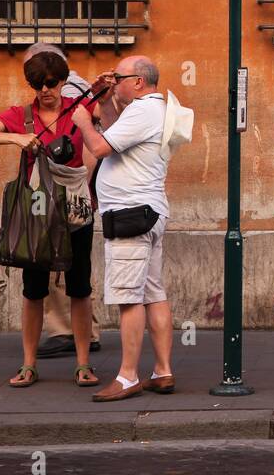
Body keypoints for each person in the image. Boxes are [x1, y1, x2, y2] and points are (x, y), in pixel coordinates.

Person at [0, 49, 99, 388]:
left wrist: (108, 89)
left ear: (64, 82)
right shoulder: (21, 116)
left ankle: (83, 364)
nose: (45, 90)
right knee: (33, 290)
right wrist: (14, 137)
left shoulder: (78, 112)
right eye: (37, 84)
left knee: (80, 288)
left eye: (51, 83)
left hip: (74, 209)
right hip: (37, 211)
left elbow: (110, 129)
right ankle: (28, 364)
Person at [71, 56, 192, 400]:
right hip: (149, 211)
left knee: (129, 298)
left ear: (138, 81)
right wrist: (106, 99)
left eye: (119, 77)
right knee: (153, 293)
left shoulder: (142, 111)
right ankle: (163, 371)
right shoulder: (154, 110)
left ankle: (127, 376)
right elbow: (114, 134)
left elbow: (98, 146)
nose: (114, 81)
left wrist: (82, 119)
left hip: (129, 213)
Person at [23, 44, 105, 360]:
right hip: (74, 189)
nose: (39, 86)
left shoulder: (66, 91)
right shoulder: (77, 86)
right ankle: (82, 332)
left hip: (66, 192)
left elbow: (83, 140)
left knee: (60, 265)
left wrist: (82, 188)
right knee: (72, 269)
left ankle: (68, 332)